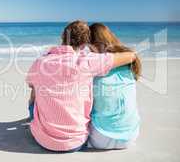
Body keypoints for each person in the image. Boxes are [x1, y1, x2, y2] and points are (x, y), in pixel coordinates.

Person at [26, 20, 136, 152]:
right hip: (75, 143)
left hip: (44, 141)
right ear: (84, 44)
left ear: (62, 36)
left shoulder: (40, 62)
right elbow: (130, 56)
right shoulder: (88, 62)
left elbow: (31, 85)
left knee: (36, 91)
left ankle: (38, 123)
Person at [87, 22, 141, 149]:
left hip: (99, 138)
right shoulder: (129, 63)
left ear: (92, 44)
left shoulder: (94, 65)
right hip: (130, 137)